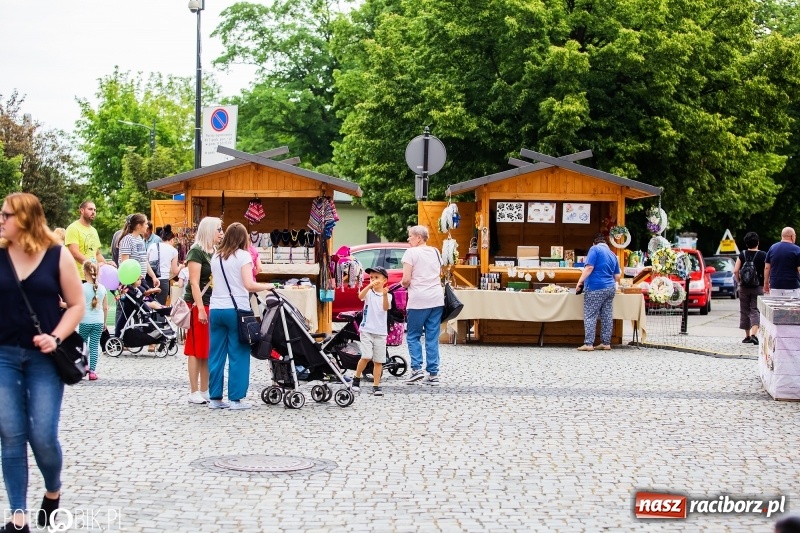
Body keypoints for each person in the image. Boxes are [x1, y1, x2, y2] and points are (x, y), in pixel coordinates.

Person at [0, 192, 85, 533]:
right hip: (3, 355)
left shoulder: (57, 255)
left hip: (44, 359)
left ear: (26, 219)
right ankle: (17, 516)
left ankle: (53, 491)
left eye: (7, 215)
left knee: (43, 435)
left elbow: (77, 305)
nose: (2, 219)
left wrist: (57, 337)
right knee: (10, 433)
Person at [208, 223, 275, 410]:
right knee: (238, 354)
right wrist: (268, 286)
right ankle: (235, 399)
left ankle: (215, 398)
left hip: (216, 309)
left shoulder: (216, 256)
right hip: (237, 310)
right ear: (243, 237)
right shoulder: (243, 256)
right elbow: (249, 284)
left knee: (216, 355)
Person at [183, 217, 222, 405]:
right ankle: (193, 390)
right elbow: (194, 282)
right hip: (198, 304)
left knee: (206, 348)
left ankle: (204, 389)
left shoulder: (213, 251)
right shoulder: (196, 251)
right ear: (209, 231)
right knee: (194, 348)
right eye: (218, 229)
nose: (221, 233)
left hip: (211, 303)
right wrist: (199, 309)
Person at [401, 225, 444, 385]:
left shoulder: (410, 253)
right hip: (436, 299)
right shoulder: (435, 251)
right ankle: (433, 374)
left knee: (413, 336)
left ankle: (416, 369)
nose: (408, 239)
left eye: (410, 236)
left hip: (419, 300)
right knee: (432, 337)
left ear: (419, 237)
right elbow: (438, 273)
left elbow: (406, 280)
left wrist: (403, 284)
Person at [114, 214, 159, 337]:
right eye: (145, 224)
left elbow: (144, 260)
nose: (147, 226)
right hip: (131, 281)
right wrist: (132, 281)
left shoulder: (140, 239)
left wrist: (153, 276)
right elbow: (125, 263)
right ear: (138, 226)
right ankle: (122, 336)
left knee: (130, 312)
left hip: (140, 279)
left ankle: (122, 336)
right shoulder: (127, 240)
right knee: (134, 309)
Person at [575, 233, 621, 351]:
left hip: (596, 287)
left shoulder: (594, 249)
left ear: (594, 243)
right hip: (610, 288)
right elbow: (617, 275)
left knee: (590, 315)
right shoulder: (612, 254)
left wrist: (580, 282)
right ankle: (606, 343)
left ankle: (589, 344)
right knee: (606, 316)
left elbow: (589, 267)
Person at [352, 266, 392, 396]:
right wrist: (369, 286)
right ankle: (356, 378)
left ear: (384, 280)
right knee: (366, 356)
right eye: (371, 278)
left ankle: (376, 385)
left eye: (376, 277)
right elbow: (360, 296)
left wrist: (385, 295)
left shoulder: (388, 295)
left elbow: (385, 308)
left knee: (378, 361)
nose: (373, 280)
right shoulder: (369, 293)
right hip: (367, 330)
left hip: (380, 332)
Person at [64, 200, 110, 280]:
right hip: (78, 277)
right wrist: (92, 264)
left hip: (93, 277)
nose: (93, 212)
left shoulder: (94, 231)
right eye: (90, 209)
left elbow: (97, 254)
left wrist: (107, 264)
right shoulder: (73, 228)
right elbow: (74, 253)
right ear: (82, 211)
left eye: (95, 210)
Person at [734, 232, 766, 345]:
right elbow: (766, 269)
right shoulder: (763, 255)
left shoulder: (742, 254)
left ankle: (747, 336)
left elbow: (735, 270)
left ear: (746, 243)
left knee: (744, 311)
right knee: (755, 310)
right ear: (758, 242)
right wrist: (766, 283)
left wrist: (740, 281)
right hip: (758, 287)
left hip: (744, 287)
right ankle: (754, 335)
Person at [79, 261, 108, 381]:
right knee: (94, 346)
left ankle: (83, 368)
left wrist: (61, 304)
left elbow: (75, 304)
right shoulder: (102, 288)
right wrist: (104, 322)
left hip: (85, 321)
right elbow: (105, 308)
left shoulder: (81, 287)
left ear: (84, 272)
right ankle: (92, 372)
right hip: (98, 321)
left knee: (83, 345)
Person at [147, 224, 180, 306]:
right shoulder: (173, 251)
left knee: (148, 305)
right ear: (172, 240)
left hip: (149, 279)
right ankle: (158, 319)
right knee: (160, 307)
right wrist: (181, 266)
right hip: (163, 280)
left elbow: (145, 262)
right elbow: (175, 271)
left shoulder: (152, 246)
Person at [764, 227, 800, 296]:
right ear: (792, 236)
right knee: (792, 306)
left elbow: (767, 267)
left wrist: (766, 283)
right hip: (792, 286)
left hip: (775, 286)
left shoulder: (772, 248)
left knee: (775, 306)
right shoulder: (797, 250)